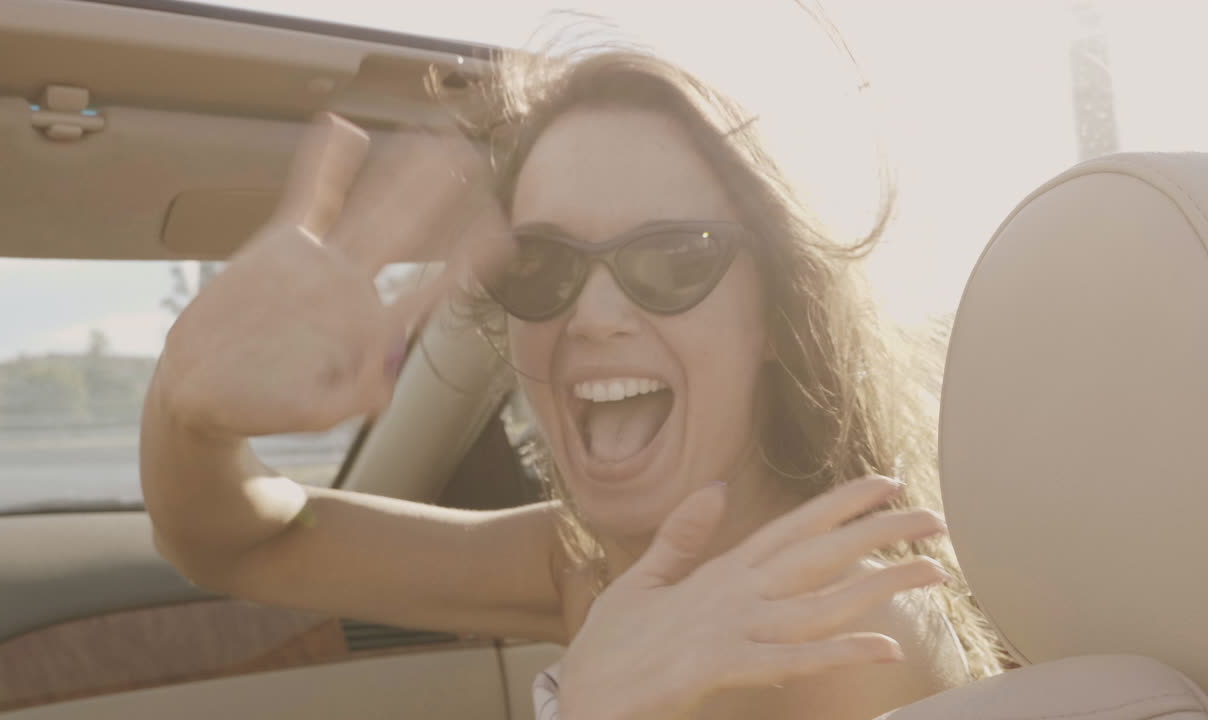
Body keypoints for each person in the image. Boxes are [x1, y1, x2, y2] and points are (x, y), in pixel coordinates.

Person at [141, 38, 1006, 720]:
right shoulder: (583, 564)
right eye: (542, 264)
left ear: (779, 317)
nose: (591, 316)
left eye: (672, 258)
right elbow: (240, 544)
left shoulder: (854, 628)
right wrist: (189, 405)